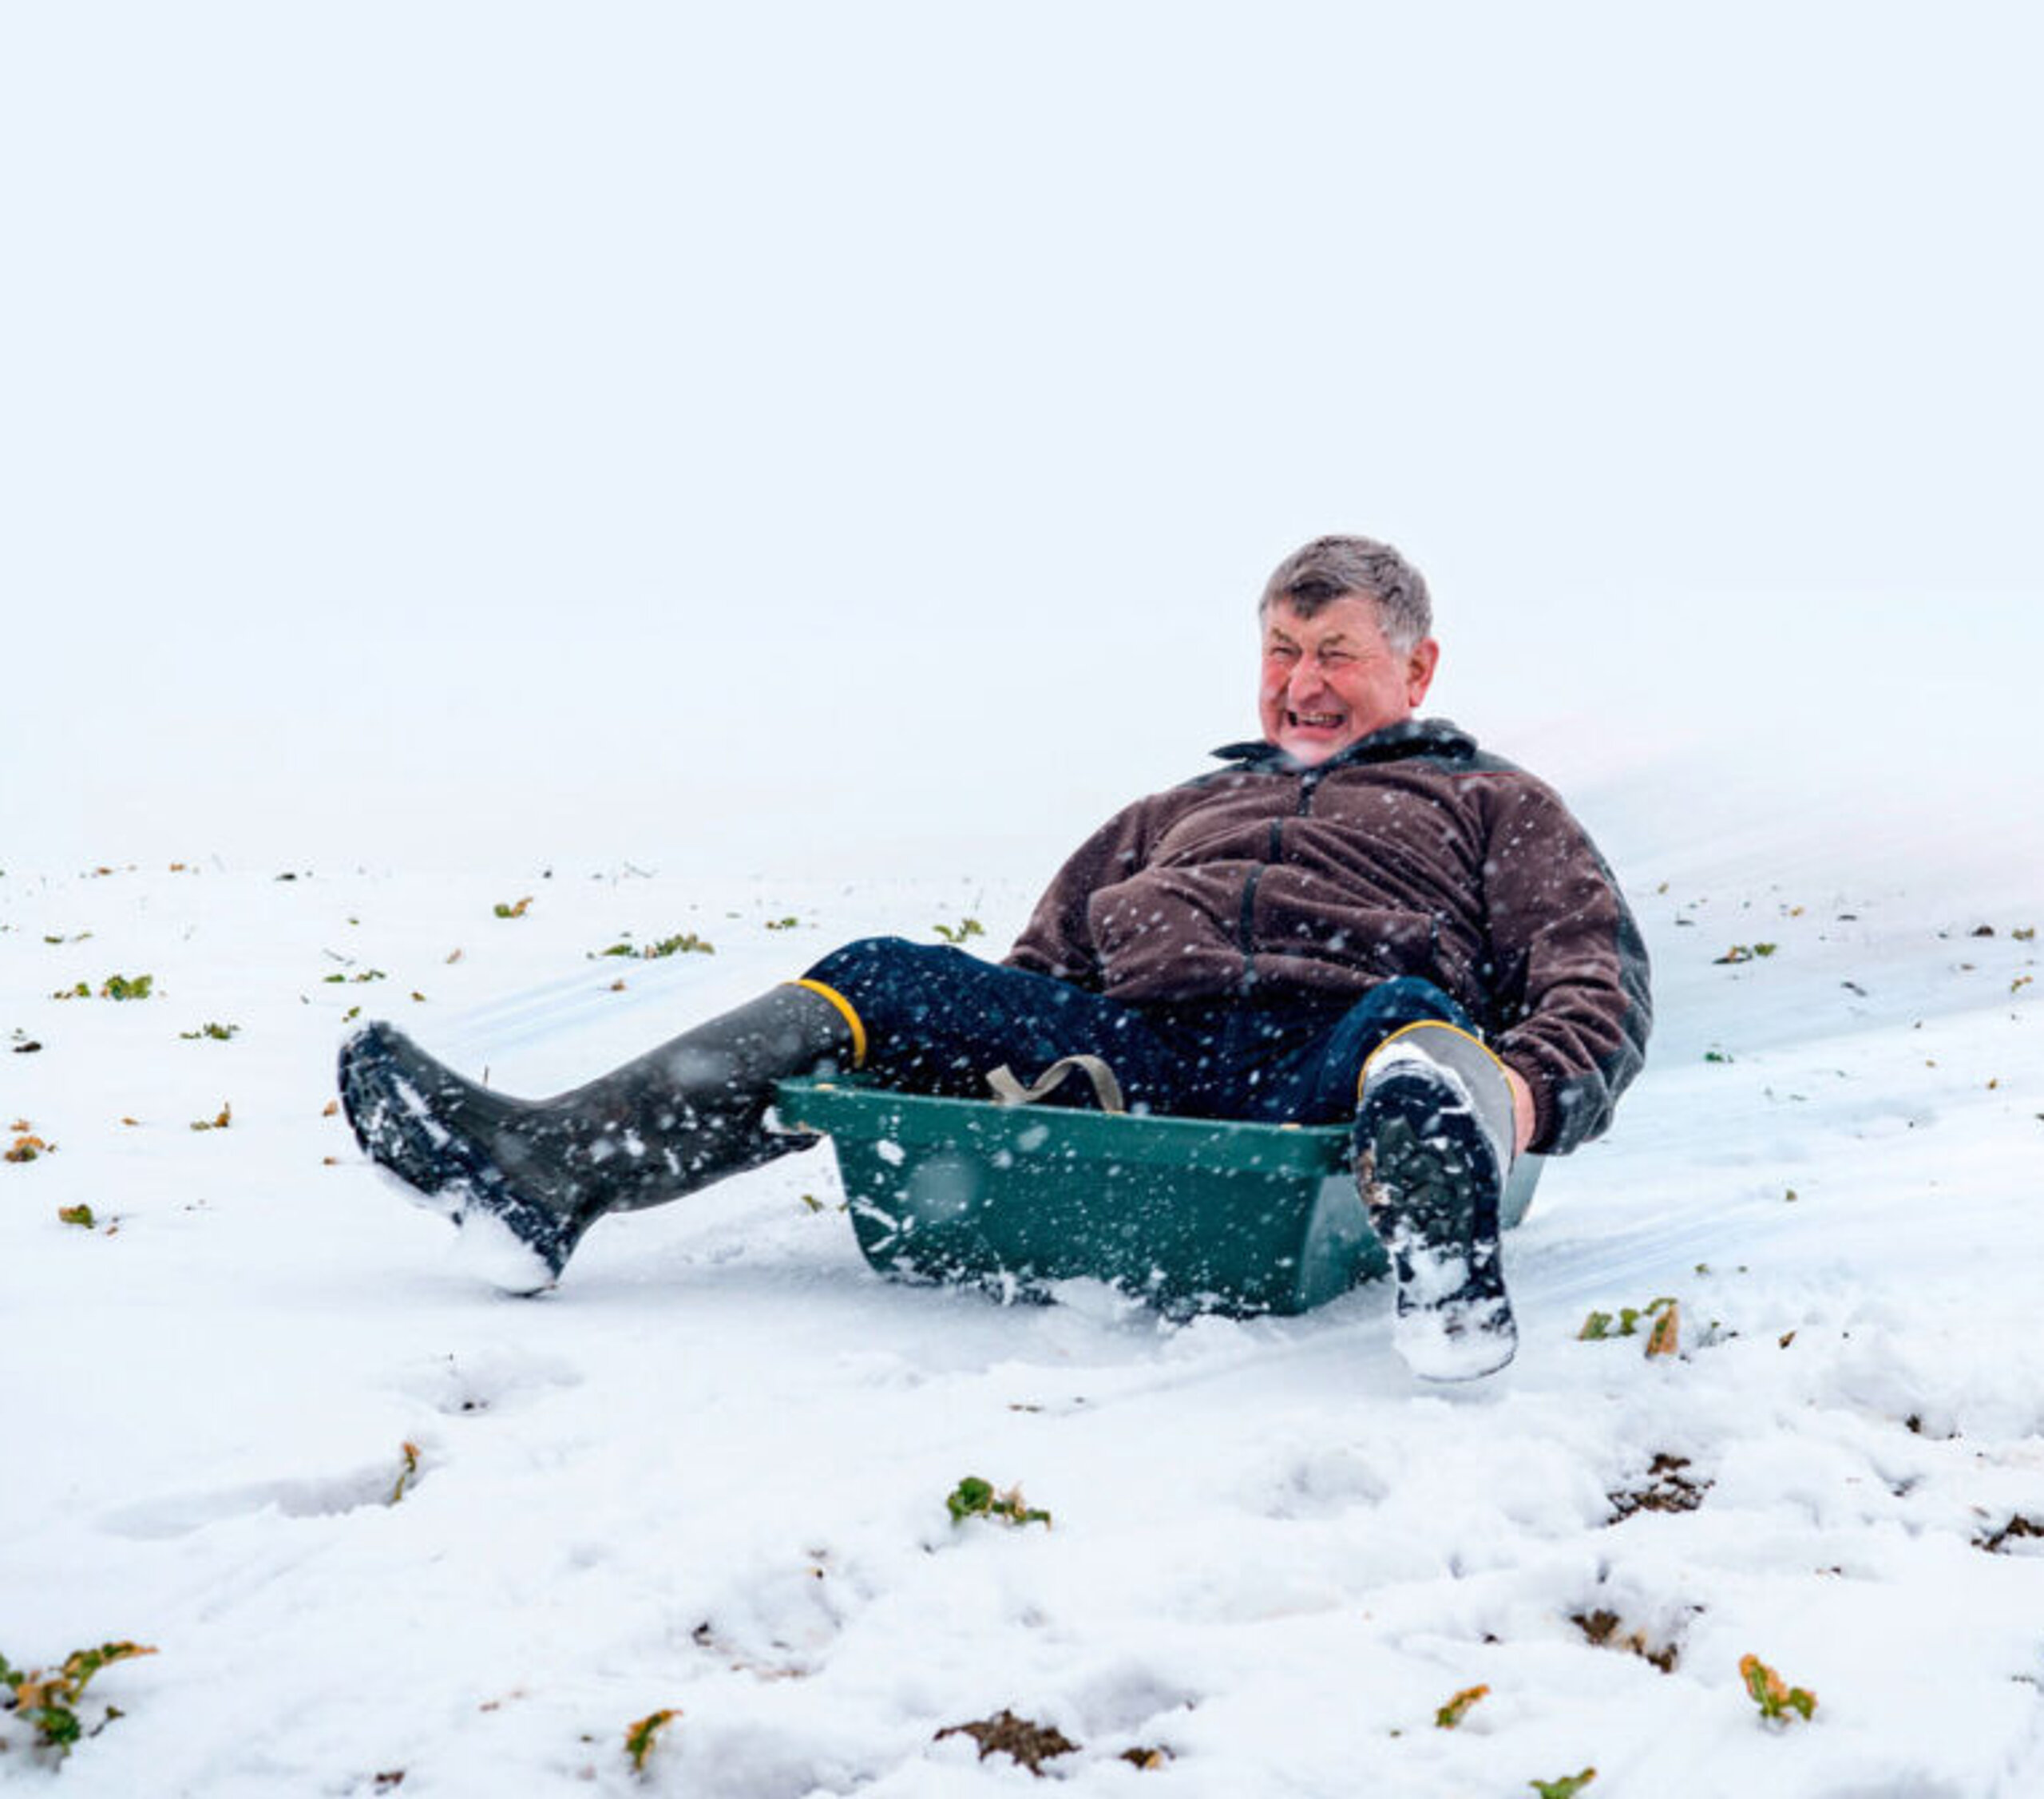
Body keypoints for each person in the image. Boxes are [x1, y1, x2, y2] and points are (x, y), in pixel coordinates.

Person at [340, 535, 1650, 1379]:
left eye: (1338, 656)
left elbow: (1592, 983)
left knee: (1414, 1022)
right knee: (888, 972)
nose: (1302, 683)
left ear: (1415, 667)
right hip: (1137, 1061)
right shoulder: (1164, 818)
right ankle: (545, 1174)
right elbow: (1034, 974)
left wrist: (1521, 1098)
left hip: (1332, 1068)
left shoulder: (1493, 802)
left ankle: (1440, 1227)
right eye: (1281, 652)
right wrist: (971, 1076)